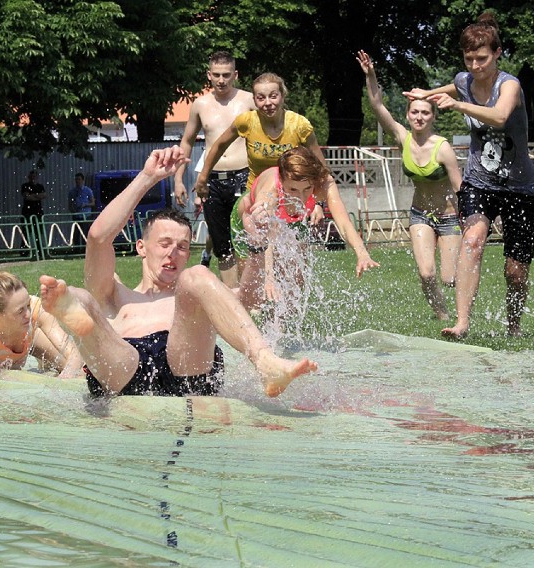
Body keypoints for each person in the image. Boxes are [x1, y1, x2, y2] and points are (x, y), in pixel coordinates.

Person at [38, 146, 318, 398]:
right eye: (164, 243)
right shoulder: (114, 294)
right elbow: (98, 237)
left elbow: (250, 298)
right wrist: (147, 178)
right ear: (141, 247)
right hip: (123, 367)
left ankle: (265, 362)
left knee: (197, 276)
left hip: (187, 366)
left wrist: (257, 247)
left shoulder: (195, 294)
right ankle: (73, 305)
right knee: (87, 300)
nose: (174, 252)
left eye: (183, 246)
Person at [404, 12, 534, 338]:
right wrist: (426, 93)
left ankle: (514, 326)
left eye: (482, 58)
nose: (476, 66)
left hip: (520, 187)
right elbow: (457, 84)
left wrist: (458, 105)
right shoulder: (465, 80)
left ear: (497, 54)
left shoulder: (509, 85)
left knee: (515, 272)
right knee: (472, 239)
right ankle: (462, 322)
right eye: (469, 59)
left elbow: (498, 116)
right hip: (479, 180)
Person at [195, 72, 378, 279]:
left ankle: (286, 305)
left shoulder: (299, 125)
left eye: (273, 96)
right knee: (255, 276)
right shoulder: (247, 122)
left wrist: (318, 203)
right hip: (258, 197)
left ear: (282, 96)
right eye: (260, 98)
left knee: (295, 275)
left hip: (294, 198)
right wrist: (203, 177)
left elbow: (320, 169)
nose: (267, 103)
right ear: (254, 100)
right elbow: (219, 144)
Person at [357, 50, 463, 320]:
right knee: (426, 273)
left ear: (433, 117)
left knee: (449, 278)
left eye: (425, 112)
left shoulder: (443, 148)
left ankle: (464, 305)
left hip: (449, 216)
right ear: (407, 116)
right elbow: (377, 105)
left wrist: (471, 221)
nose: (419, 117)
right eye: (414, 112)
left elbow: (461, 187)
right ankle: (441, 315)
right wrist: (371, 75)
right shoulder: (402, 138)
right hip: (420, 214)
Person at [174, 51, 255, 287]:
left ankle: (252, 295)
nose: (221, 80)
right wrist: (178, 179)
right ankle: (232, 297)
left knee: (248, 240)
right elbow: (187, 141)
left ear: (235, 75)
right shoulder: (200, 104)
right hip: (212, 181)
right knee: (222, 246)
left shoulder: (249, 100)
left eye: (226, 75)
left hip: (244, 176)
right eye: (217, 75)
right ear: (209, 75)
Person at [233, 147, 330, 309]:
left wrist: (360, 251)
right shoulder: (272, 195)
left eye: (306, 190)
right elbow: (268, 237)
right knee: (252, 287)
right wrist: (269, 277)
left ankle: (279, 322)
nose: (301, 197)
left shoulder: (310, 184)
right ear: (283, 184)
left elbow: (340, 214)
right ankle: (233, 308)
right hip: (249, 219)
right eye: (293, 190)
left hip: (274, 221)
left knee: (296, 275)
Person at [0, 271, 82, 379]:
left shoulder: (33, 308)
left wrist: (65, 378)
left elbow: (73, 354)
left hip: (8, 320)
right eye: (20, 311)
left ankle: (24, 344)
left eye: (28, 305)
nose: (28, 315)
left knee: (68, 365)